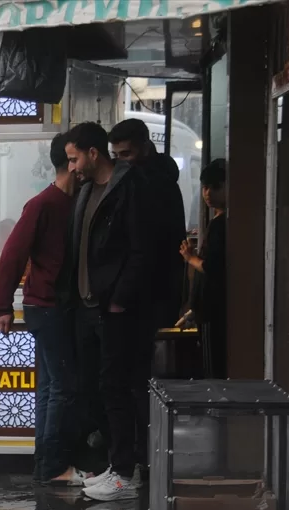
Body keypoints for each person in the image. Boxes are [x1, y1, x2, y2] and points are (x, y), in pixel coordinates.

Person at [61, 122, 149, 502]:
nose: (72, 167)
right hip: (86, 307)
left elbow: (140, 250)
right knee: (96, 389)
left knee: (117, 389)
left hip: (113, 308)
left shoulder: (127, 189)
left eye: (74, 158)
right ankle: (117, 466)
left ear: (93, 154)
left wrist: (119, 298)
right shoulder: (86, 191)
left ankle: (127, 473)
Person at [0, 133, 86, 487]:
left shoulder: (73, 202)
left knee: (50, 388)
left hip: (50, 306)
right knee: (60, 387)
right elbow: (12, 255)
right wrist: (3, 305)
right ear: (69, 163)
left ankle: (46, 464)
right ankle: (53, 466)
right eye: (76, 161)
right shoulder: (43, 204)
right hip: (46, 308)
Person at [108, 118, 187, 467]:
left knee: (136, 379)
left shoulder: (146, 183)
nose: (122, 160)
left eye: (126, 153)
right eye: (117, 155)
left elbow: (145, 247)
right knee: (139, 378)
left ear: (143, 145)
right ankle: (145, 452)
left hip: (146, 295)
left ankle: (142, 454)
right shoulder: (158, 177)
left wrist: (121, 295)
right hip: (154, 291)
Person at [180, 159, 228, 378]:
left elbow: (212, 267)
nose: (208, 193)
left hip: (213, 313)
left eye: (215, 187)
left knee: (214, 369)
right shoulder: (217, 222)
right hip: (208, 310)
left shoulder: (221, 225)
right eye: (205, 188)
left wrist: (190, 258)